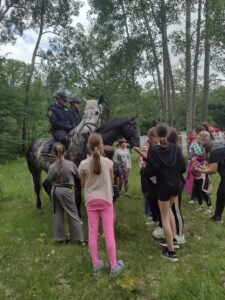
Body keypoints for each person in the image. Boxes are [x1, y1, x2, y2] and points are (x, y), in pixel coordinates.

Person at [78, 133, 124, 276]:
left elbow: (82, 184)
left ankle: (96, 265)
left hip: (91, 201)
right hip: (106, 200)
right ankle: (114, 266)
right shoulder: (108, 163)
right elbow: (111, 181)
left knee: (92, 233)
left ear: (88, 146)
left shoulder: (83, 164)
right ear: (102, 146)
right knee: (109, 232)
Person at [145, 123, 186, 262]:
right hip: (176, 186)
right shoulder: (175, 147)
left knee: (164, 216)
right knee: (169, 211)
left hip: (163, 187)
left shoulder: (153, 150)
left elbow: (149, 171)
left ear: (156, 134)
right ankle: (173, 239)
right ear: (168, 133)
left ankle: (171, 252)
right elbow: (183, 168)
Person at [47, 142, 86, 245]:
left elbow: (49, 179)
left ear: (54, 153)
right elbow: (78, 175)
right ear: (64, 152)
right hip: (66, 191)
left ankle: (61, 239)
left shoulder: (51, 166)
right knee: (73, 213)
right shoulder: (70, 164)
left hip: (55, 190)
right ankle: (80, 239)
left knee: (57, 214)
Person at [196, 140, 225, 222]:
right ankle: (217, 216)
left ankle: (217, 217)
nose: (201, 152)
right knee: (220, 195)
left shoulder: (213, 153)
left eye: (202, 149)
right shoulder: (215, 152)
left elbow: (213, 170)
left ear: (205, 149)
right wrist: (201, 168)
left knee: (221, 195)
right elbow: (211, 167)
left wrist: (199, 170)